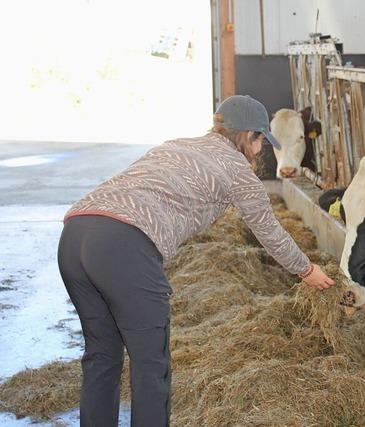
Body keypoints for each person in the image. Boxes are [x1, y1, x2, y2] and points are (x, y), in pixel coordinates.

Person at [57, 95, 336, 427]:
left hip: (74, 235)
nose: (262, 150)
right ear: (248, 135)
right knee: (150, 366)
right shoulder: (238, 170)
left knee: (102, 356)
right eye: (261, 140)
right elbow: (269, 231)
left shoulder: (176, 144)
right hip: (123, 245)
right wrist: (306, 269)